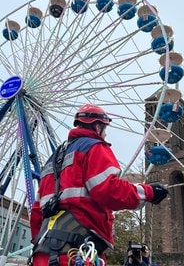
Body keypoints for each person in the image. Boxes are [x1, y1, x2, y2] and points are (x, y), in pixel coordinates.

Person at [29, 104, 168, 266]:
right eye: (105, 129)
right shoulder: (94, 147)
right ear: (97, 126)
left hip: (43, 255)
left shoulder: (51, 161)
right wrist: (150, 192)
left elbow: (37, 211)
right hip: (78, 254)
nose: (105, 134)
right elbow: (108, 190)